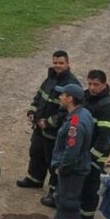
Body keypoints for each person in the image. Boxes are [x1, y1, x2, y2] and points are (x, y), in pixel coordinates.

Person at [16, 50, 80, 204]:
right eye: (55, 62)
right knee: (36, 153)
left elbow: (70, 112)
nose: (57, 66)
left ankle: (54, 191)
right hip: (40, 127)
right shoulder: (50, 78)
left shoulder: (72, 84)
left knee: (54, 161)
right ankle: (34, 179)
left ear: (67, 64)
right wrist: (32, 111)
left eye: (61, 63)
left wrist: (49, 122)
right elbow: (39, 96)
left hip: (55, 132)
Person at [42, 83, 94, 219]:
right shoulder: (82, 114)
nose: (59, 97)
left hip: (73, 169)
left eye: (62, 95)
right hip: (77, 166)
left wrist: (61, 167)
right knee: (61, 196)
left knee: (68, 203)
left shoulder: (75, 124)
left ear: (70, 98)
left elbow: (71, 151)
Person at [80, 70, 110, 219]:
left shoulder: (109, 107)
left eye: (96, 84)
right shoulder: (86, 97)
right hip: (83, 151)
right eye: (89, 83)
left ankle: (87, 215)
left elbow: (106, 137)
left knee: (91, 184)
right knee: (81, 183)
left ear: (104, 84)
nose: (91, 88)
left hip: (95, 156)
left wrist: (92, 157)